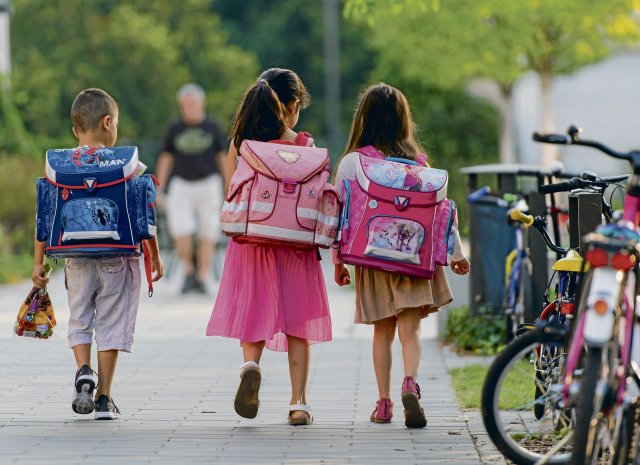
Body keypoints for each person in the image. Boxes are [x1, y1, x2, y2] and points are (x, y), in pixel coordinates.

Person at [333, 83, 470, 428]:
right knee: (410, 332)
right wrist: (457, 253)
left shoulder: (353, 163)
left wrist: (338, 260)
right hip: (413, 258)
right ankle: (411, 381)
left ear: (363, 119)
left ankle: (383, 404)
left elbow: (339, 213)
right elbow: (442, 216)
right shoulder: (419, 166)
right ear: (403, 121)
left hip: (372, 258)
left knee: (382, 333)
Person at [206, 68, 332, 426]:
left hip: (251, 242)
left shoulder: (241, 145)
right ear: (291, 105)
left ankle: (251, 365)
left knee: (253, 310)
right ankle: (298, 403)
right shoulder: (305, 145)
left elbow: (233, 190)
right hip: (296, 244)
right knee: (298, 323)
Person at [31, 88, 165, 420]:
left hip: (75, 257)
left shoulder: (60, 165)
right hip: (117, 257)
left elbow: (44, 214)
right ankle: (105, 398)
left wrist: (38, 262)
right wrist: (155, 257)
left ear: (75, 130)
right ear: (108, 123)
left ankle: (84, 371)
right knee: (111, 322)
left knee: (80, 318)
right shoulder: (126, 164)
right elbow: (144, 215)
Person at [156, 83, 226, 293]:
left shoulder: (213, 127)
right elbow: (166, 157)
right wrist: (160, 187)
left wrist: (228, 185)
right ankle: (188, 270)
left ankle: (203, 275)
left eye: (192, 104)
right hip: (181, 184)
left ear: (201, 103)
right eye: (185, 105)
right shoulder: (174, 128)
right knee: (180, 229)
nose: (189, 108)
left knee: (208, 230)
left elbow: (222, 157)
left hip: (209, 182)